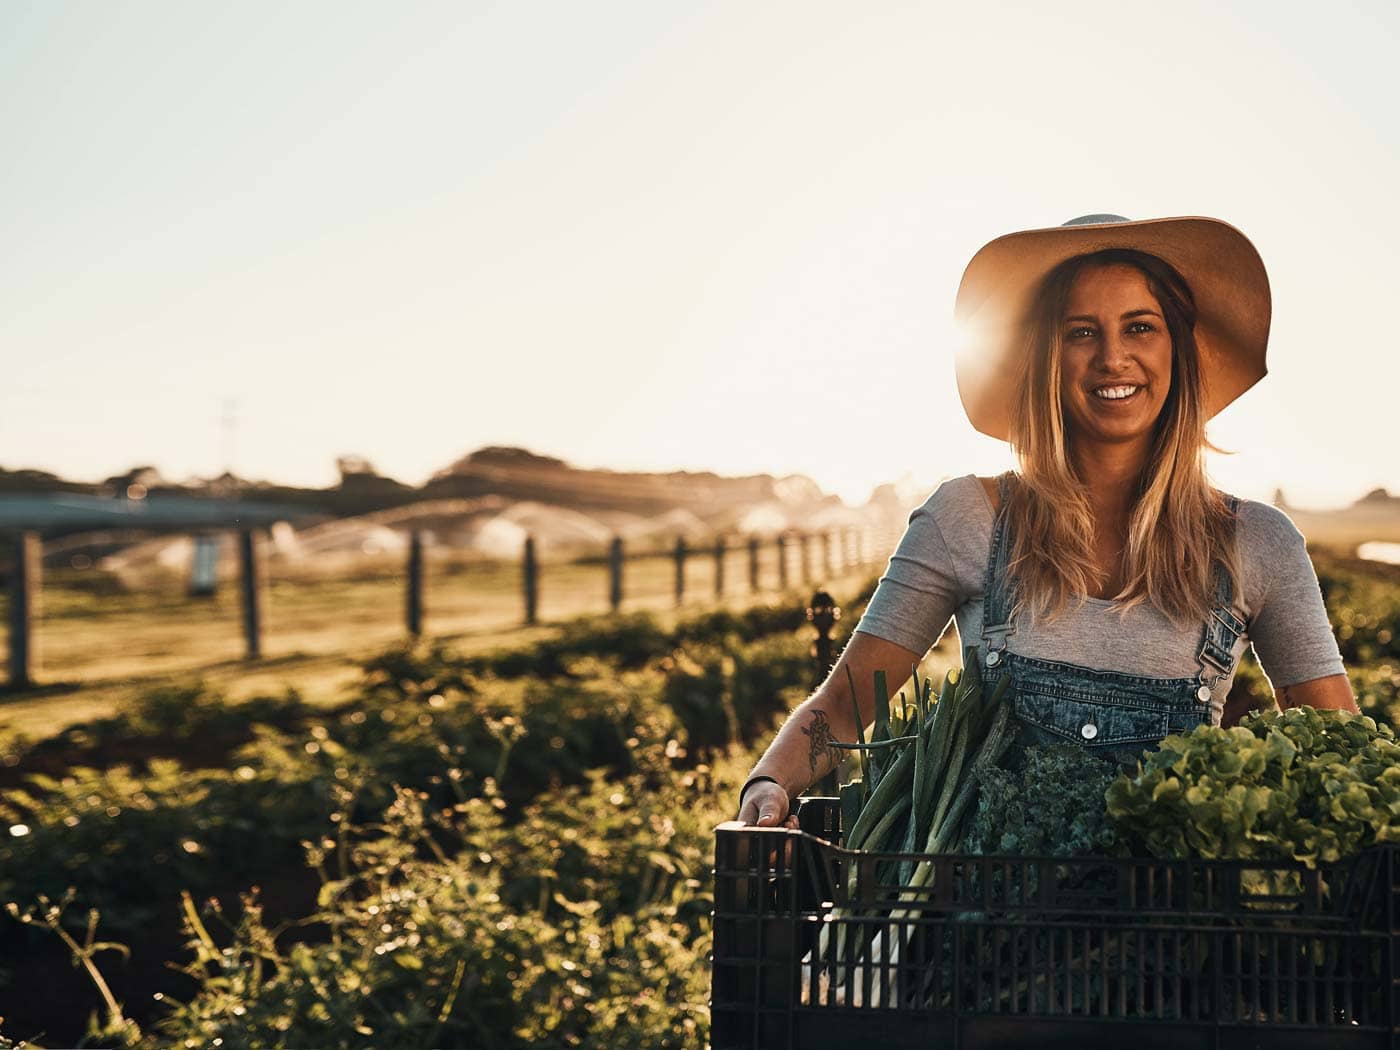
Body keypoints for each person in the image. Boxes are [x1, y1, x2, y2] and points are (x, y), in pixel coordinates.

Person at [737, 213, 1357, 829]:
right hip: (986, 914)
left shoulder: (1257, 543)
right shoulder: (968, 519)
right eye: (1080, 332)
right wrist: (769, 781)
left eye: (1140, 327)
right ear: (1045, 358)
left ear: (1178, 348)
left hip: (1168, 917)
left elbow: (1336, 750)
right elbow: (844, 705)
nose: (1114, 357)